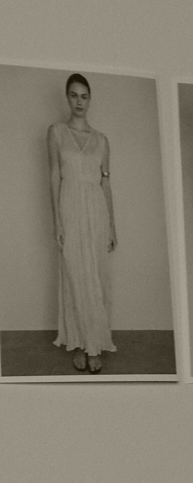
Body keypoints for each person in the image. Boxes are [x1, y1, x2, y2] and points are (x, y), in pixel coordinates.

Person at [49, 72, 117, 373]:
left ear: (90, 99)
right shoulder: (56, 133)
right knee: (75, 277)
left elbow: (106, 183)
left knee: (96, 278)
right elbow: (54, 177)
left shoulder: (102, 140)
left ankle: (95, 344)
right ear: (67, 97)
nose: (79, 101)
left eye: (84, 96)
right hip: (69, 207)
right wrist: (57, 221)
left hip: (96, 209)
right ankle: (78, 343)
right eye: (74, 95)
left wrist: (112, 225)